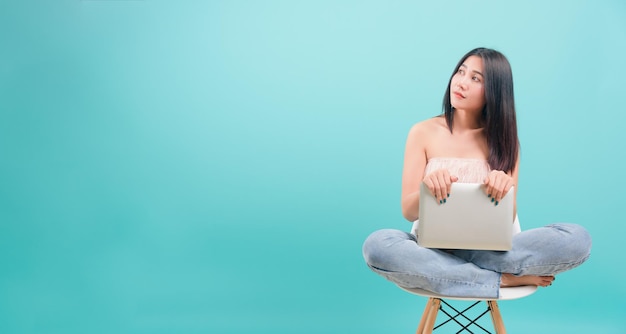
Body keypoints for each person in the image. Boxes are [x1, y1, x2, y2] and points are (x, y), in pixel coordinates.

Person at [362, 47, 592, 298]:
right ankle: (498, 279)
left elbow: (509, 216)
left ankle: (457, 269)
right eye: (460, 72)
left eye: (475, 78)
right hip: (431, 246)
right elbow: (408, 211)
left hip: (492, 249)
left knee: (578, 238)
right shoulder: (422, 132)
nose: (461, 83)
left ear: (494, 92)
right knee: (377, 246)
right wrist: (427, 190)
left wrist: (503, 188)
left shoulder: (505, 140)